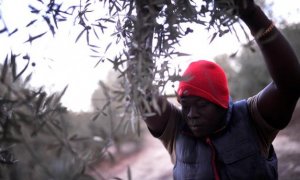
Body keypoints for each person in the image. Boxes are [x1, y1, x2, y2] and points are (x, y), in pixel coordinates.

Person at [141, 0, 300, 179]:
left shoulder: (252, 119)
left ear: (220, 102)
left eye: (201, 104)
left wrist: (252, 15)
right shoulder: (175, 130)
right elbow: (140, 90)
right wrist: (145, 23)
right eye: (185, 105)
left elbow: (289, 84)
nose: (191, 114)